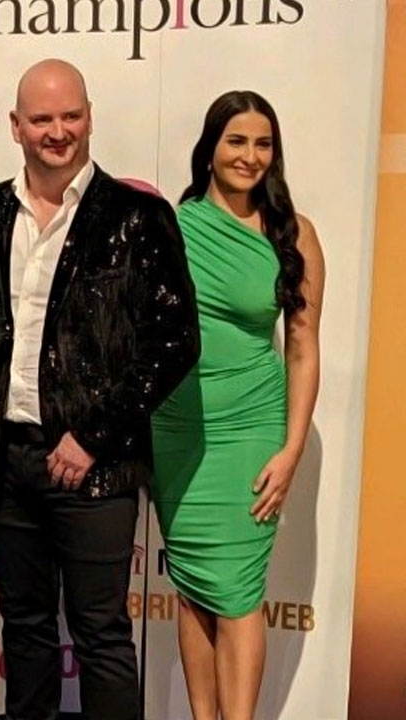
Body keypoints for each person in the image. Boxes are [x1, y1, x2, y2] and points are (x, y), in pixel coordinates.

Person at [0, 59, 199, 719]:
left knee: (102, 634)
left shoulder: (137, 216)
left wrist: (96, 437)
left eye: (70, 116)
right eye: (43, 119)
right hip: (8, 458)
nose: (58, 132)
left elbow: (174, 342)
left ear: (90, 118)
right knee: (24, 631)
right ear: (15, 127)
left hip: (93, 467)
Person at [151, 90, 324, 720]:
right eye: (237, 141)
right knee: (195, 586)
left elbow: (303, 348)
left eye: (263, 143)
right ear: (211, 148)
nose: (250, 156)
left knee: (239, 590)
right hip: (178, 431)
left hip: (253, 426)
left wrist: (292, 447)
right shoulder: (175, 224)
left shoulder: (294, 233)